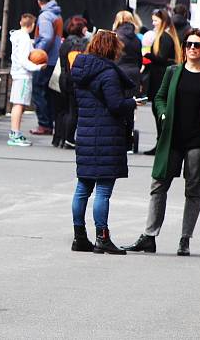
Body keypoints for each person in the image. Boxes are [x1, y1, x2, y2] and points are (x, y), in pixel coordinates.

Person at [122, 29, 200, 256]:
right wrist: (164, 114)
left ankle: (185, 239)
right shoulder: (173, 71)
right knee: (158, 185)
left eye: (197, 45)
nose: (192, 48)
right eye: (188, 44)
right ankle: (149, 236)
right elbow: (159, 97)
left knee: (193, 190)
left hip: (197, 140)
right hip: (172, 139)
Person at [69, 30, 136, 255]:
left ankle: (79, 237)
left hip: (86, 134)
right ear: (112, 48)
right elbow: (116, 104)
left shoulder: (80, 70)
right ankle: (102, 237)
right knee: (103, 191)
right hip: (107, 136)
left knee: (82, 187)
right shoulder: (108, 73)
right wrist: (132, 102)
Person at [142, 8, 182, 155]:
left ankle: (162, 142)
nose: (153, 23)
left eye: (155, 20)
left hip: (160, 78)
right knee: (158, 110)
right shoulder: (166, 36)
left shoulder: (164, 37)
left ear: (163, 21)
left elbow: (162, 58)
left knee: (159, 110)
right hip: (159, 76)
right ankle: (161, 142)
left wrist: (148, 55)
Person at [7, 13, 46, 146]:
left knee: (18, 104)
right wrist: (38, 67)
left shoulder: (18, 36)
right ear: (32, 25)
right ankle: (15, 133)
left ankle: (15, 132)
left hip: (19, 74)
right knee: (19, 104)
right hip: (23, 75)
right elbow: (24, 60)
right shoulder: (24, 38)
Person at [30, 0, 62, 136]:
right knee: (48, 93)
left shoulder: (45, 16)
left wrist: (38, 51)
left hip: (45, 59)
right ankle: (50, 123)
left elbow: (46, 37)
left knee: (38, 90)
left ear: (39, 2)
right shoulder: (57, 14)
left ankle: (44, 124)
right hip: (54, 58)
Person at [54, 16, 89, 149]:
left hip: (63, 77)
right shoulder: (81, 43)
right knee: (73, 110)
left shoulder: (65, 42)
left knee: (62, 110)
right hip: (74, 79)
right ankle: (69, 138)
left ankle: (59, 138)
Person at [113, 10, 143, 96]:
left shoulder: (115, 36)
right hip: (134, 73)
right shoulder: (137, 39)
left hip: (118, 72)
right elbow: (139, 60)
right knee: (130, 104)